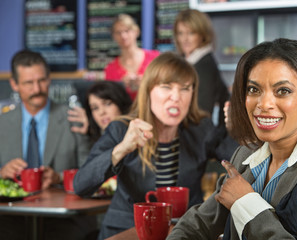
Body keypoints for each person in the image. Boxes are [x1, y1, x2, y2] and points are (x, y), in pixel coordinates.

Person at [167, 38, 297, 240]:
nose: (264, 103)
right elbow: (197, 225)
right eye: (254, 89)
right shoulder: (245, 154)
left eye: (283, 91)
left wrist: (246, 203)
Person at [73, 52, 238, 240]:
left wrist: (238, 129)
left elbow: (244, 164)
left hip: (184, 233)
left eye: (185, 89)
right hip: (125, 231)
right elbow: (81, 185)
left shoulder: (201, 130)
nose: (176, 97)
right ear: (149, 91)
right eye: (166, 87)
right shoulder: (121, 129)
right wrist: (123, 148)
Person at [0, 49, 96, 240]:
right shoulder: (2, 123)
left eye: (42, 80)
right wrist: (2, 172)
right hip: (10, 217)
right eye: (28, 83)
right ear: (14, 84)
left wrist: (59, 178)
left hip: (64, 219)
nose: (37, 89)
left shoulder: (74, 119)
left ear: (49, 79)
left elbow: (92, 174)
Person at [173, 9, 230, 126]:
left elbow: (202, 112)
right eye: (180, 33)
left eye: (191, 33)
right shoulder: (190, 61)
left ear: (202, 35)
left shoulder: (204, 65)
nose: (185, 39)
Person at [105, 13, 160, 100]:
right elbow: (111, 99)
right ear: (114, 36)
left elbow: (167, 85)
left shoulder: (155, 58)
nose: (123, 36)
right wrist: (121, 86)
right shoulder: (110, 69)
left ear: (136, 31)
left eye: (127, 31)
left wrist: (146, 83)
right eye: (118, 32)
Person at [68, 81, 132, 145]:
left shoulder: (134, 134)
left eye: (107, 104)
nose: (101, 112)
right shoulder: (94, 140)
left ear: (120, 103)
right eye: (95, 108)